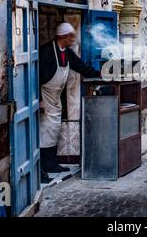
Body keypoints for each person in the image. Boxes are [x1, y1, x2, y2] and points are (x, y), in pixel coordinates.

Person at [39, 23, 100, 183]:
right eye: (71, 36)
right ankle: (43, 165)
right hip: (45, 96)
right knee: (45, 130)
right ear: (63, 37)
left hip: (56, 97)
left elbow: (81, 67)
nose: (73, 39)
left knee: (54, 129)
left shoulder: (68, 53)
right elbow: (34, 76)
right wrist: (38, 99)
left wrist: (100, 75)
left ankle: (51, 163)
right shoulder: (46, 52)